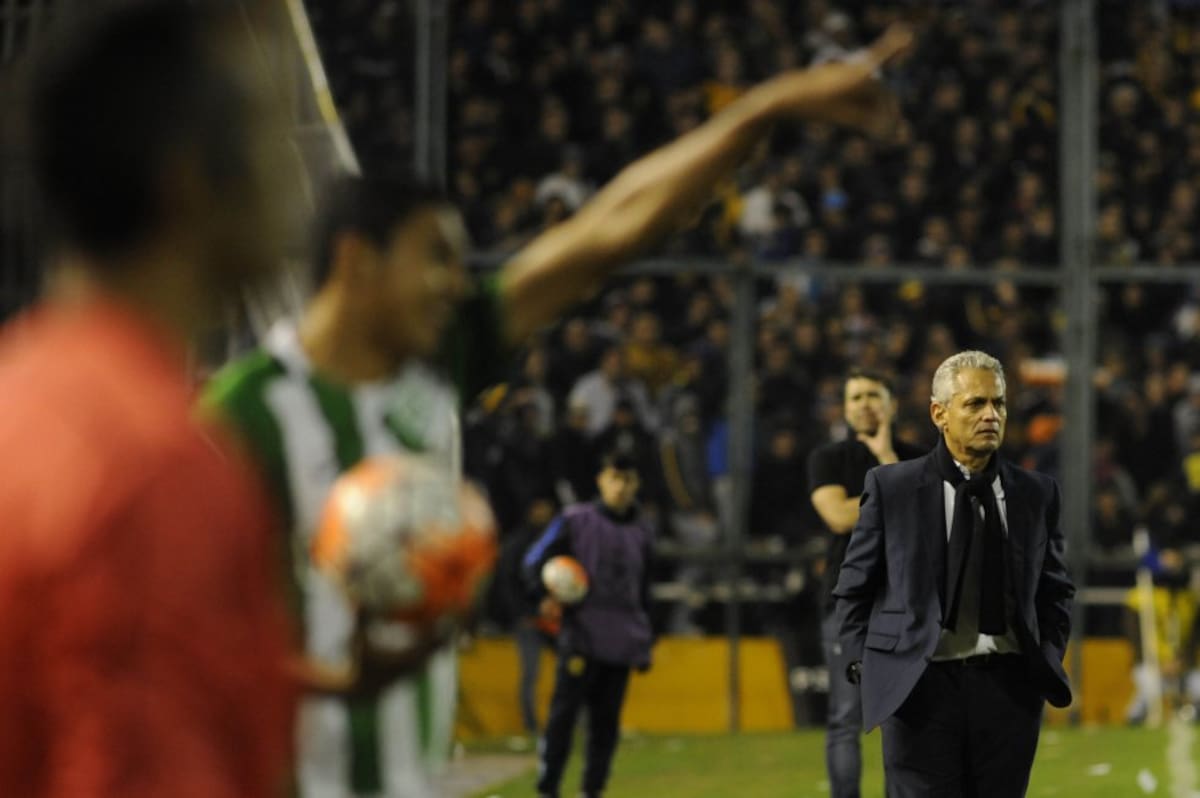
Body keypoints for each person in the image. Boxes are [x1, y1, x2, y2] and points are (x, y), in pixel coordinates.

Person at [208, 22, 915, 798]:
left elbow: (611, 228)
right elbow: (166, 644)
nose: (455, 283)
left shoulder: (438, 363)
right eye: (435, 257)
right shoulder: (241, 417)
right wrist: (336, 679)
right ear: (356, 261)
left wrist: (766, 108)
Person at [0, 4, 297, 797]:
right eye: (269, 140)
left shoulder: (21, 397)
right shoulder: (154, 467)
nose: (293, 178)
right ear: (190, 180)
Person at [834, 351, 1075, 796]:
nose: (990, 415)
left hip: (1009, 692)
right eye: (975, 403)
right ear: (939, 414)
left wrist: (1046, 657)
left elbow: (1055, 591)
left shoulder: (1037, 493)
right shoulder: (892, 488)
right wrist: (864, 665)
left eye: (998, 404)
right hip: (919, 689)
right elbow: (854, 587)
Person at [808, 369, 924, 798]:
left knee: (904, 717)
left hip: (905, 601)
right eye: (855, 397)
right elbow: (838, 517)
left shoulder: (918, 457)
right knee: (845, 716)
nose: (864, 404)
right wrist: (897, 492)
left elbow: (924, 517)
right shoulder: (828, 458)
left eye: (873, 395)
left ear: (893, 404)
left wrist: (886, 459)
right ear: (844, 407)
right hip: (848, 602)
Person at [521, 451, 655, 798]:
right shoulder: (575, 520)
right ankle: (549, 787)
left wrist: (645, 641)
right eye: (615, 478)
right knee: (563, 716)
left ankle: (592, 790)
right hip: (581, 635)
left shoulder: (642, 532)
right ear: (601, 480)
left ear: (637, 484)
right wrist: (543, 595)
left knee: (606, 724)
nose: (621, 487)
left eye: (627, 480)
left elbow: (644, 592)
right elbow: (533, 561)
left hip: (622, 640)